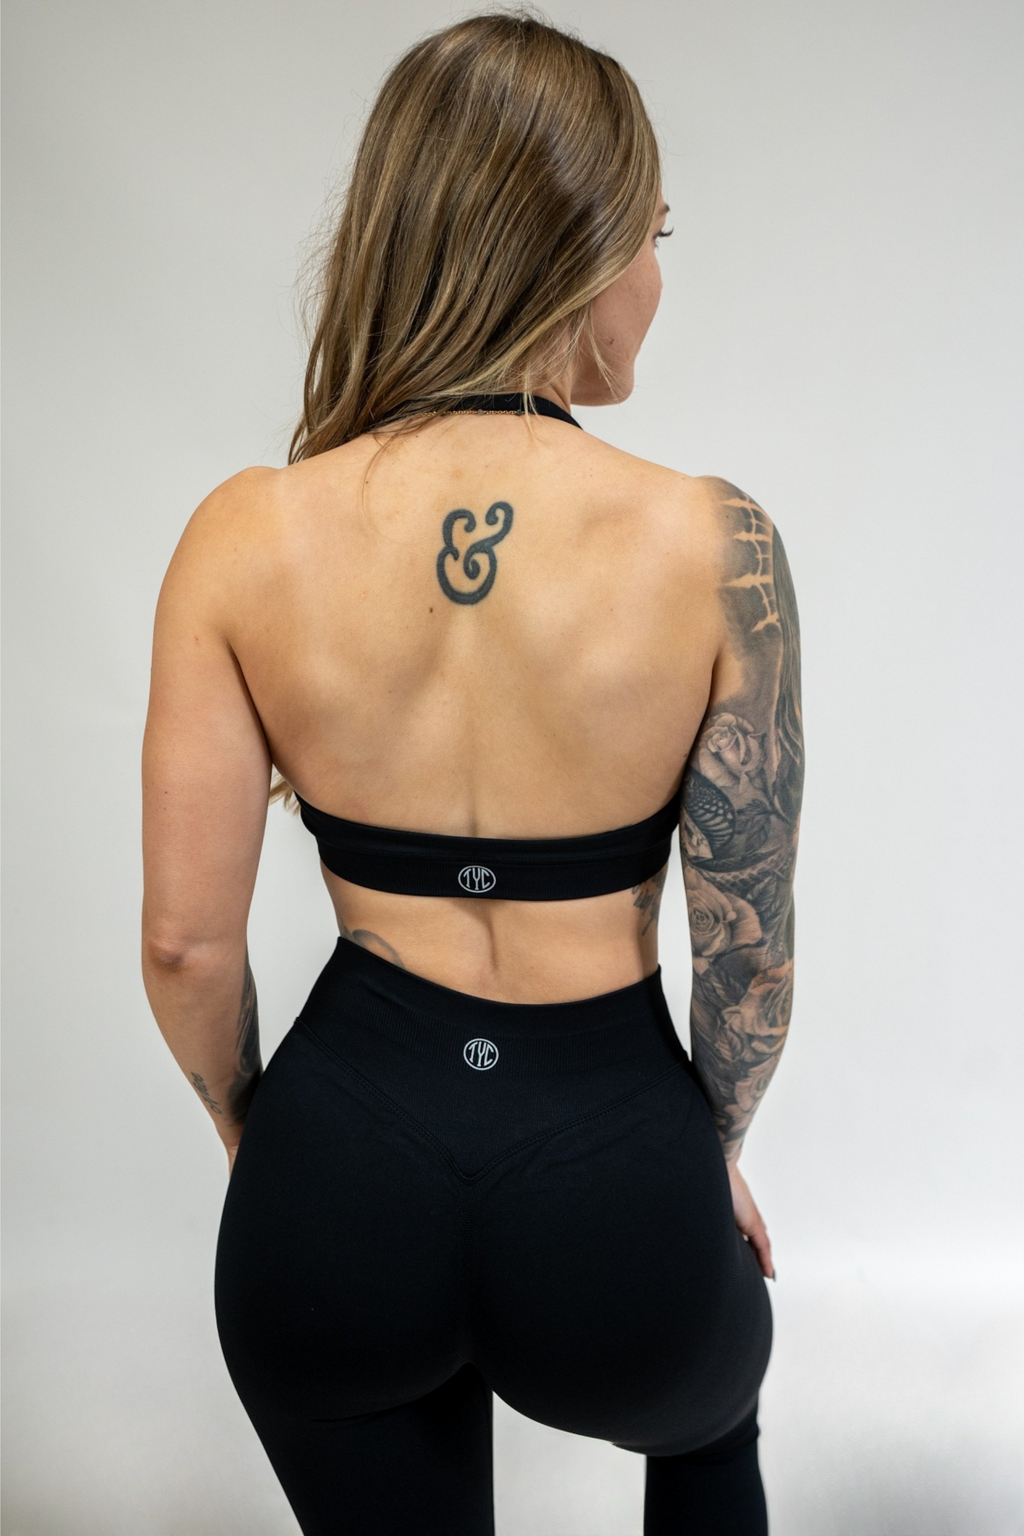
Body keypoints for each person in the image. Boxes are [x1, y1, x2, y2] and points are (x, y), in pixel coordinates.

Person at [141, 12, 804, 1535]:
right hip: (617, 1184)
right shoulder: (716, 546)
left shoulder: (243, 534)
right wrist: (705, 1164)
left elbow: (183, 946)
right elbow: (749, 955)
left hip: (339, 1172)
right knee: (709, 1437)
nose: (656, 279)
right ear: (574, 245)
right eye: (652, 235)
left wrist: (261, 1142)